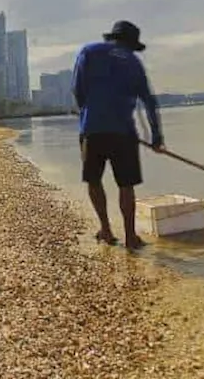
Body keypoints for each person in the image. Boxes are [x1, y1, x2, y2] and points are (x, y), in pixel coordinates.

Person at [72, 20, 165, 250]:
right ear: (131, 44)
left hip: (92, 129)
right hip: (123, 132)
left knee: (94, 180)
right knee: (126, 185)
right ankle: (131, 237)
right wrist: (156, 137)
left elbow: (77, 89)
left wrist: (88, 113)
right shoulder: (133, 62)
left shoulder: (88, 52)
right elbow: (149, 102)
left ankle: (106, 229)